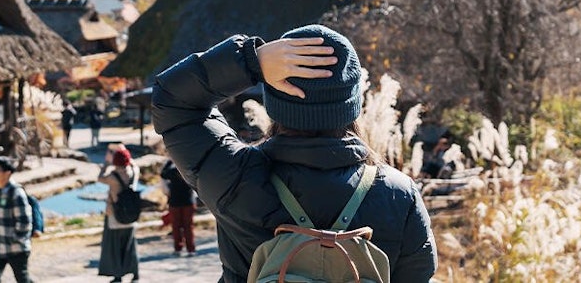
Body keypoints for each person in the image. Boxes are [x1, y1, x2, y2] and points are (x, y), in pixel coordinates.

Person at [151, 24, 437, 283]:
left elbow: (173, 100)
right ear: (352, 104)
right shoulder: (399, 195)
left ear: (275, 98)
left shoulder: (234, 179)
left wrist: (251, 61)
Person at [97, 143, 140, 282]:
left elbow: (100, 178)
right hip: (131, 216)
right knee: (130, 245)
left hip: (115, 215)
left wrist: (106, 163)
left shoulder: (113, 177)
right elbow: (135, 165)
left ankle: (118, 275)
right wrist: (126, 154)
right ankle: (135, 272)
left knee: (115, 247)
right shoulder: (134, 173)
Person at [0, 155, 33, 283]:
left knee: (22, 279)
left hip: (16, 248)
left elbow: (24, 220)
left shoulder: (16, 193)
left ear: (7, 173)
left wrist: (15, 238)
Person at [160, 159, 197, 257]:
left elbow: (163, 174)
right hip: (188, 200)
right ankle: (191, 249)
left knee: (176, 227)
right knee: (188, 226)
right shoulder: (188, 168)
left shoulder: (172, 171)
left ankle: (178, 248)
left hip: (175, 201)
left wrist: (169, 162)